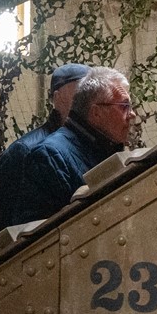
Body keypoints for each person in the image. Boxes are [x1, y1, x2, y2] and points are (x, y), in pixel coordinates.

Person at [0, 63, 90, 240]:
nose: (88, 101)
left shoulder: (86, 146)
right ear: (58, 98)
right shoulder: (24, 151)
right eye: (80, 93)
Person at [18, 67, 133, 224]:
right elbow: (39, 233)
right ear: (96, 112)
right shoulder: (49, 156)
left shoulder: (107, 148)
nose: (132, 114)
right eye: (124, 106)